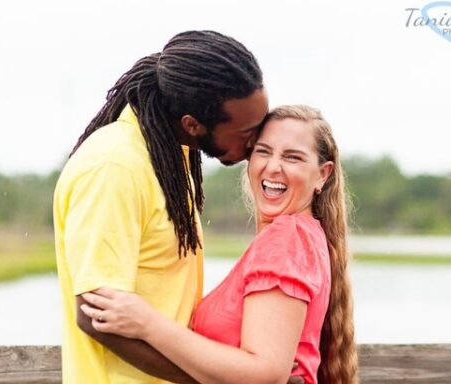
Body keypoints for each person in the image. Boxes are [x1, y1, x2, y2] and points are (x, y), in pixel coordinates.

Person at [80, 105, 359, 384]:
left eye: (293, 157)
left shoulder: (287, 238)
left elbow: (266, 375)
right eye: (263, 151)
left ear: (323, 174)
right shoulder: (306, 235)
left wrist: (147, 323)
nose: (273, 166)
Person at [53, 30, 269, 384]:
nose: (257, 140)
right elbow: (96, 316)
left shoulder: (171, 153)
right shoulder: (114, 167)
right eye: (247, 130)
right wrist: (211, 379)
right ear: (192, 124)